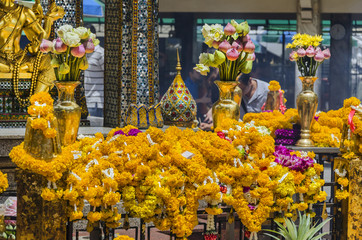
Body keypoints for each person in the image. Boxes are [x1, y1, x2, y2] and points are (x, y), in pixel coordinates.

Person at [0, 0, 64, 92]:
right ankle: (18, 68)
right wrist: (1, 23)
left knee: (52, 62)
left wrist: (48, 19)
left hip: (19, 58)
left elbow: (41, 34)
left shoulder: (24, 12)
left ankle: (36, 102)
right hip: (1, 58)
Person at [200, 73, 268, 130]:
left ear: (250, 81)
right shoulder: (232, 90)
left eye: (241, 90)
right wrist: (210, 125)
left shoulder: (269, 91)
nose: (236, 92)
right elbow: (228, 118)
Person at [84, 24, 104, 118]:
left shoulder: (100, 53)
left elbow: (108, 76)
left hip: (96, 102)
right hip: (86, 100)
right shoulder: (82, 53)